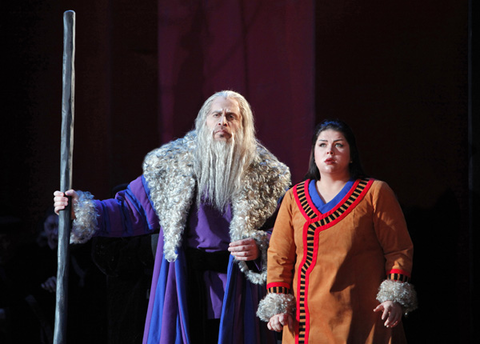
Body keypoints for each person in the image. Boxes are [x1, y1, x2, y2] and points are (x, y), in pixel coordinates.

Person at [54, 90, 291, 344]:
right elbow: (129, 209)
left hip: (239, 287)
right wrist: (81, 208)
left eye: (231, 116)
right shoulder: (172, 166)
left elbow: (286, 231)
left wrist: (261, 244)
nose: (223, 121)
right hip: (183, 282)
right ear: (204, 122)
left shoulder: (266, 176)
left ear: (244, 127)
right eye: (216, 114)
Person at [257, 119, 417, 344]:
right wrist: (278, 304)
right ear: (313, 153)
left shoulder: (375, 193)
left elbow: (398, 249)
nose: (329, 151)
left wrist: (394, 297)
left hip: (364, 316)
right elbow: (279, 256)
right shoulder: (294, 197)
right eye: (322, 145)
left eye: (339, 145)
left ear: (351, 154)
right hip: (306, 321)